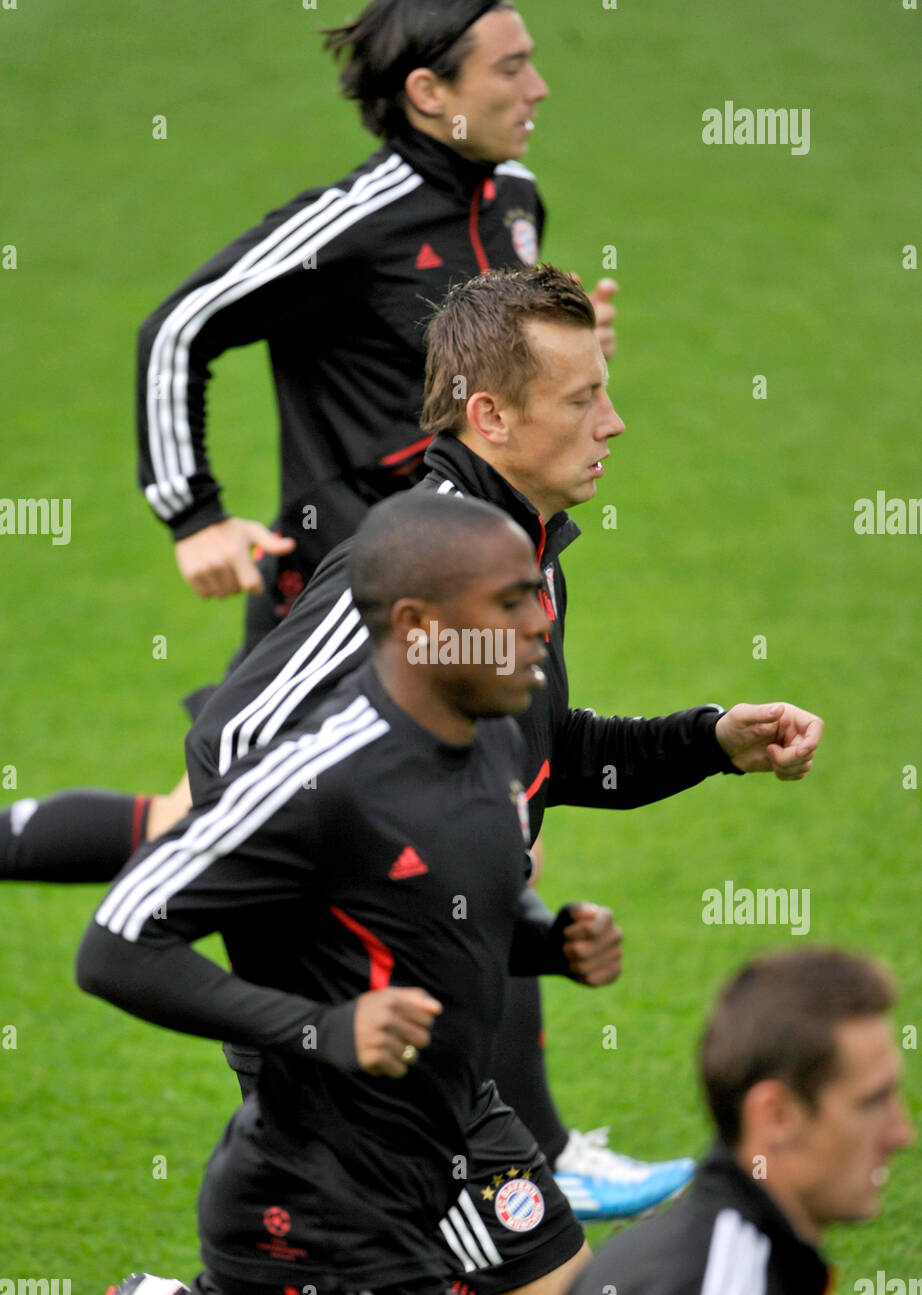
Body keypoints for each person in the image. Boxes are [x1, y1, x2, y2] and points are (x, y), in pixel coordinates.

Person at [0, 2, 633, 1214]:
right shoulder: (356, 221)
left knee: (442, 813)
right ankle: (487, 1153)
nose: (539, 86)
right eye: (511, 67)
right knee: (344, 822)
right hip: (350, 601)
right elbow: (180, 325)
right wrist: (192, 511)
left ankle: (519, 1155)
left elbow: (494, 370)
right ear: (429, 94)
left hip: (468, 574)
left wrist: (571, 362)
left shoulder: (513, 201)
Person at [181, 264, 823, 1222]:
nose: (614, 424)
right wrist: (343, 935)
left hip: (436, 1011)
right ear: (490, 417)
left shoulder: (523, 551)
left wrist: (713, 742)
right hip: (358, 1030)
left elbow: (549, 753)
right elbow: (232, 739)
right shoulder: (412, 562)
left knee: (520, 1273)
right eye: (582, 399)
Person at [77, 492, 620, 1295]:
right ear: (420, 624)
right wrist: (316, 1025)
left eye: (534, 594)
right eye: (510, 604)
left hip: (445, 1119)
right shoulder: (322, 775)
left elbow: (456, 897)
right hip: (328, 1187)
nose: (540, 621)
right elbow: (115, 946)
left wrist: (549, 942)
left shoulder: (493, 734)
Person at [566, 949, 914, 1295]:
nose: (902, 1134)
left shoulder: (699, 1253)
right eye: (871, 1103)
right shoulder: (722, 1285)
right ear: (775, 1115)